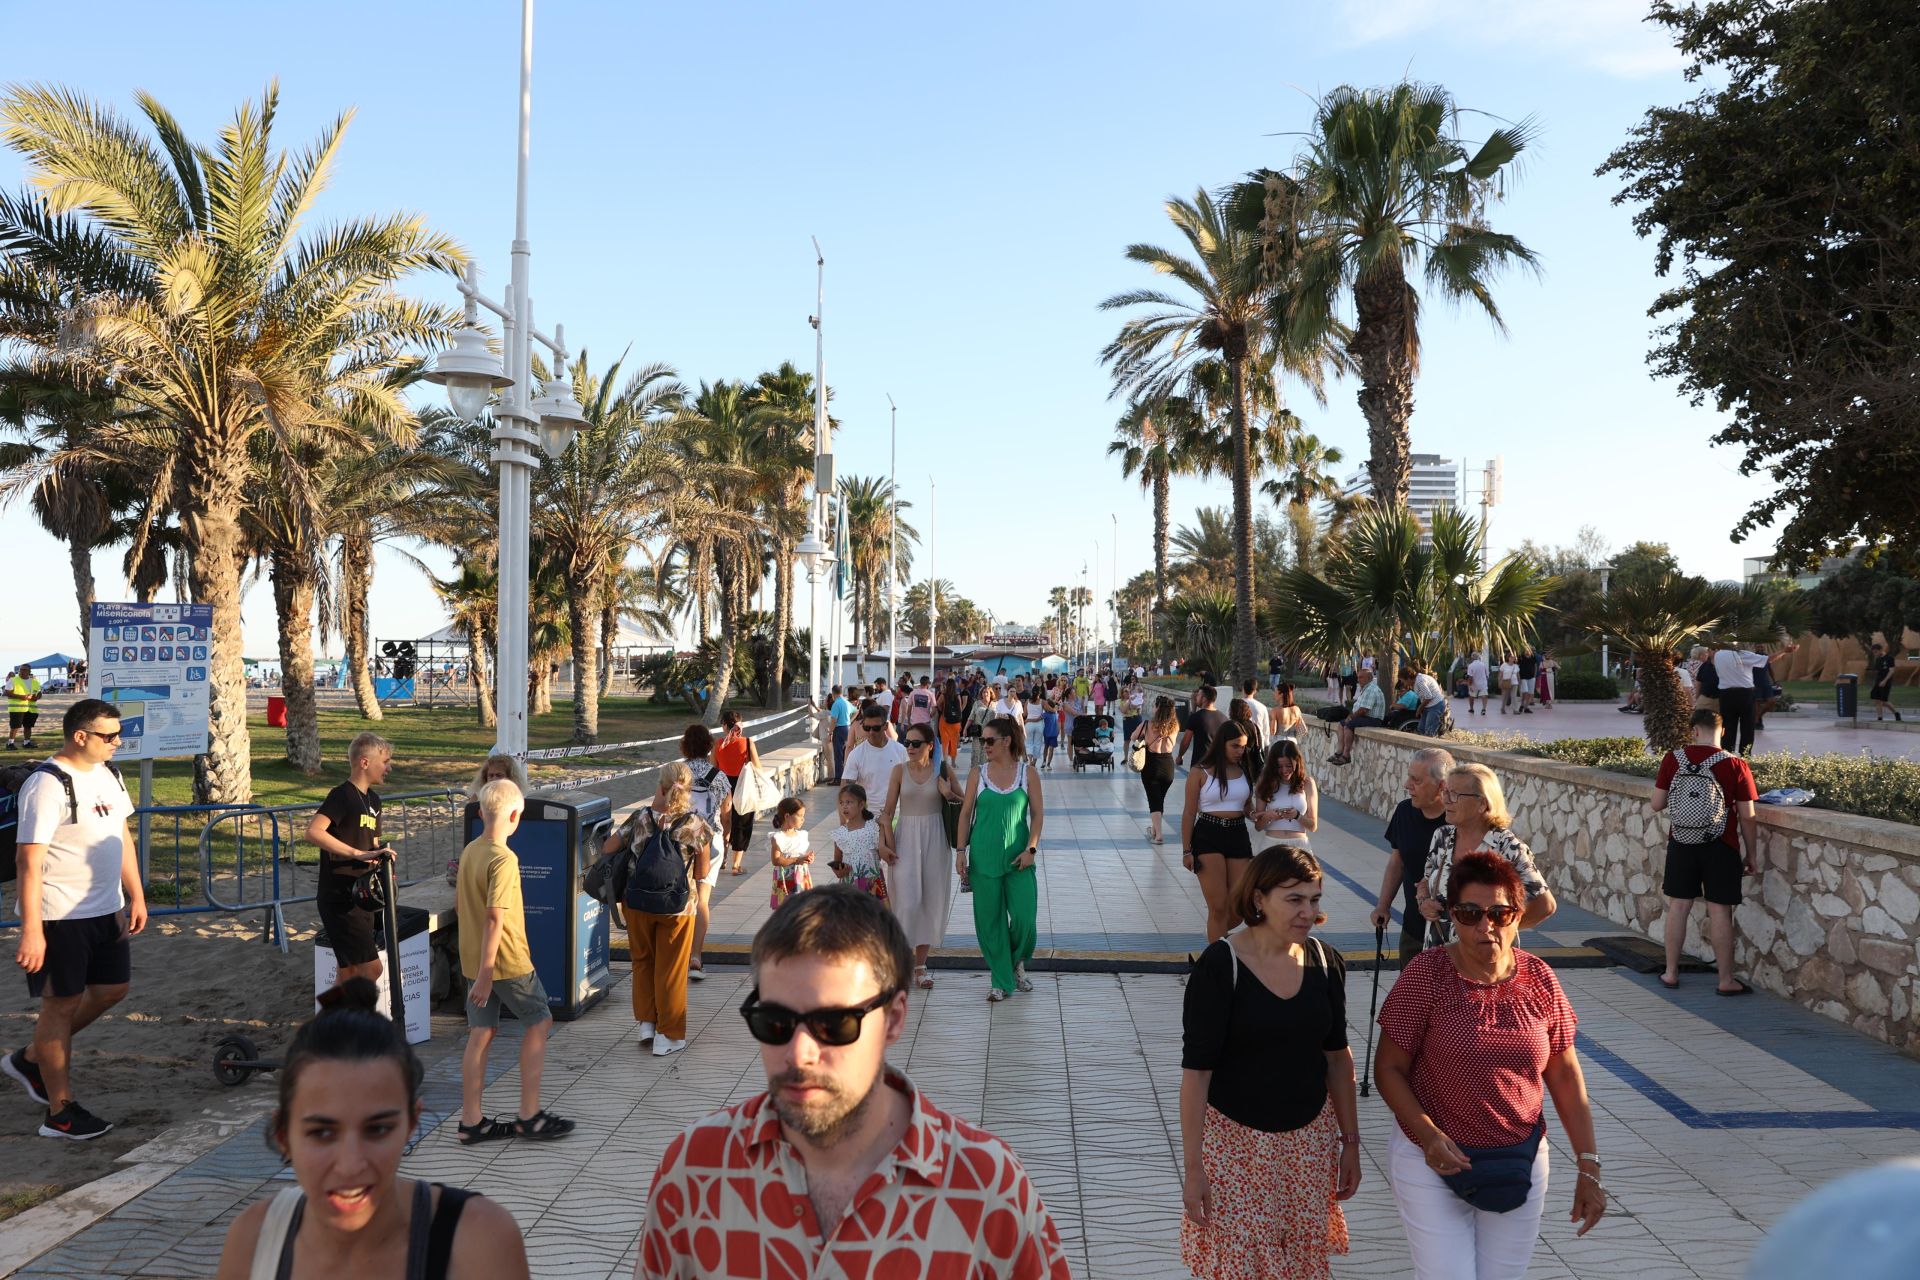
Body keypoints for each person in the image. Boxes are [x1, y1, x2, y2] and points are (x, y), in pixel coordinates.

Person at [637, 886, 1072, 1279]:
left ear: (893, 1020)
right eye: (775, 1022)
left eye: (833, 1023)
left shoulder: (987, 1188)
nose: (799, 1053)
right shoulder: (694, 1171)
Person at [1374, 854, 1607, 1279]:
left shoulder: (1540, 979)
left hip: (1518, 1159)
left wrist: (1588, 1166)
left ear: (1518, 915)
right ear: (1453, 916)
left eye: (1500, 913)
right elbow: (1388, 1068)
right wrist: (1428, 1135)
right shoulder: (1426, 974)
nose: (1486, 926)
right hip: (1431, 1157)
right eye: (1470, 913)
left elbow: (1565, 1075)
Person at [214, 978, 529, 1280]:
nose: (351, 1165)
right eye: (322, 1133)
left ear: (411, 1124)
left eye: (377, 1130)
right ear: (284, 1135)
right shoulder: (253, 1243)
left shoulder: (477, 1242)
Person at [1180, 847, 1359, 1280]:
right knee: (1243, 1265)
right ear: (1259, 898)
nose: (1307, 912)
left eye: (1314, 900)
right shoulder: (1221, 966)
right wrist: (1193, 1168)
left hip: (1309, 1145)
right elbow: (1197, 1074)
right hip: (1236, 1147)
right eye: (1294, 899)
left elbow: (1338, 1059)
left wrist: (1350, 1142)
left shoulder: (1324, 962)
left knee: (1301, 1263)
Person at [4, 699, 141, 1141]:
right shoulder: (47, 784)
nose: (117, 742)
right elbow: (28, 861)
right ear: (80, 736)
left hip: (106, 907)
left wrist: (136, 894)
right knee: (59, 1006)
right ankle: (60, 1114)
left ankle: (31, 1058)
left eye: (119, 734)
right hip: (60, 915)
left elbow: (121, 835)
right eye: (109, 735)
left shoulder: (109, 773)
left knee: (113, 990)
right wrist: (31, 930)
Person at [455, 779, 573, 1144]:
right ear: (515, 816)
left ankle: (471, 1121)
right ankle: (529, 1115)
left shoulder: (471, 850)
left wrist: (479, 971)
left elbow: (462, 908)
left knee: (481, 1032)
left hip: (472, 958)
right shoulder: (504, 859)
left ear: (480, 813)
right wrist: (488, 973)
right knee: (540, 1021)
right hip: (504, 961)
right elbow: (495, 917)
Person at [607, 762, 713, 1056]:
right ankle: (668, 1035)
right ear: (688, 790)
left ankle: (647, 1024)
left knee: (643, 961)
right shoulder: (695, 825)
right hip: (677, 907)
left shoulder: (640, 817)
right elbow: (702, 872)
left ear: (661, 786)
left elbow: (608, 848)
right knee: (672, 969)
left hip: (637, 903)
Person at [1650, 710, 1759, 993]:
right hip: (1722, 845)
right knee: (1720, 910)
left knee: (1679, 906)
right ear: (1723, 731)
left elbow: (1657, 804)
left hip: (1681, 842)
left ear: (1694, 731)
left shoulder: (1673, 759)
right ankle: (1726, 980)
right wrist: (1751, 854)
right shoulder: (1735, 764)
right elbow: (1748, 816)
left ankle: (1670, 973)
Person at [955, 715, 1045, 1002]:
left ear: (1007, 741)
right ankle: (1001, 980)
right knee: (990, 922)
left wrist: (1031, 850)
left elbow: (1038, 815)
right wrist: (960, 851)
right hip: (983, 859)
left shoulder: (1028, 774)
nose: (985, 745)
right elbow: (965, 814)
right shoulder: (977, 774)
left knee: (1024, 919)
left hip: (1020, 859)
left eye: (990, 740)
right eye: (983, 740)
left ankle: (1015, 962)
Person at [1416, 764, 1557, 946]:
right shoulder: (1442, 836)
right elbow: (1426, 881)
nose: (1446, 801)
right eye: (1445, 792)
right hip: (1440, 954)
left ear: (1482, 803)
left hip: (1485, 958)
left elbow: (1545, 905)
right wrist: (1424, 902)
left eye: (1455, 794)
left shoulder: (1506, 846)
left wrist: (1498, 931)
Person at [307, 733, 397, 986]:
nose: (389, 767)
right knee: (372, 969)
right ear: (364, 762)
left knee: (347, 973)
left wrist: (381, 858)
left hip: (363, 896)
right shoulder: (342, 795)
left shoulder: (374, 800)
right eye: (385, 761)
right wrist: (357, 853)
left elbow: (372, 844)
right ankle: (349, 1012)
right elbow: (313, 831)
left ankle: (334, 1013)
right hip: (338, 896)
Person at [877, 723, 960, 991]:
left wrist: (948, 794)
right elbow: (887, 812)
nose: (910, 747)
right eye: (907, 742)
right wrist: (882, 844)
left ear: (930, 746)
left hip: (936, 840)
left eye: (916, 743)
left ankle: (920, 966)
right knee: (906, 902)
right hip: (906, 839)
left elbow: (966, 804)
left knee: (928, 902)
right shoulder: (899, 771)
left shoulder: (943, 770)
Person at [1370, 749, 1455, 965]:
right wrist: (1383, 905)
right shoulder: (1404, 811)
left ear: (1442, 785)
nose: (1407, 785)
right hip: (1413, 931)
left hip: (1453, 936)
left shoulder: (1457, 820)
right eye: (1409, 777)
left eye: (1416, 780)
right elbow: (1397, 862)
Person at [1182, 720, 1255, 944]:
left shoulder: (1244, 769)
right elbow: (1189, 812)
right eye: (1235, 746)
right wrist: (1186, 850)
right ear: (1221, 744)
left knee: (1240, 905)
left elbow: (1246, 806)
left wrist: (1256, 815)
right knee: (1218, 906)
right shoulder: (1200, 771)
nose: (1240, 751)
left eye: (1243, 746)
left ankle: (1215, 931)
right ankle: (1217, 955)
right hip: (1208, 834)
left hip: (1238, 834)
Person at [680, 725, 734, 982]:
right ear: (709, 747)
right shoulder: (718, 776)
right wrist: (727, 835)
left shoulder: (676, 772)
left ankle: (677, 955)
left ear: (684, 746)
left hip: (680, 839)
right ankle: (696, 957)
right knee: (702, 900)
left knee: (680, 897)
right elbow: (727, 812)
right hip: (710, 840)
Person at [1712, 642, 1795, 756]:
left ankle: (1726, 753)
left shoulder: (1718, 655)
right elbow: (1767, 660)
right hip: (1744, 693)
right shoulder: (1742, 654)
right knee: (1747, 726)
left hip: (1726, 694)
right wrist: (1784, 651)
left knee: (1728, 725)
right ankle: (1745, 754)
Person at [714, 710, 763, 875]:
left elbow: (713, 768)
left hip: (724, 785)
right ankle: (736, 865)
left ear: (725, 726)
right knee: (742, 823)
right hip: (743, 785)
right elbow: (757, 767)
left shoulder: (718, 744)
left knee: (725, 822)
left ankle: (723, 857)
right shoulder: (747, 742)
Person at [1252, 739, 1318, 851]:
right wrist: (1268, 816)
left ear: (1297, 762)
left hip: (1299, 845)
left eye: (1289, 766)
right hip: (1271, 844)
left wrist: (1297, 816)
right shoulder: (1265, 784)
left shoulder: (1307, 783)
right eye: (1279, 766)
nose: (1284, 770)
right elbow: (1258, 827)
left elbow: (1313, 826)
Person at [841, 702, 908, 811]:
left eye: (876, 728)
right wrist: (845, 819)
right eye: (867, 728)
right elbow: (845, 789)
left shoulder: (901, 751)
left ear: (886, 726)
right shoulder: (856, 754)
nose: (871, 732)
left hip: (896, 814)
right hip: (867, 815)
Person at [828, 782, 889, 902]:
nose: (844, 806)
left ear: (861, 805)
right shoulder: (840, 834)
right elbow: (837, 865)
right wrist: (840, 870)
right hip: (849, 890)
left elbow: (885, 854)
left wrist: (886, 825)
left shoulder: (874, 828)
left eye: (849, 802)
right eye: (841, 803)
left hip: (873, 886)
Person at [1133, 695, 1180, 844]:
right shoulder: (1175, 726)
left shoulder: (1148, 724)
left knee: (1154, 801)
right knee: (1159, 800)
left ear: (1158, 708)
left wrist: (1144, 738)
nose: (1153, 708)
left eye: (1154, 705)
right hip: (1168, 766)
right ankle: (1154, 830)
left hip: (1151, 765)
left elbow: (1133, 736)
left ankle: (1159, 835)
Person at [1328, 667, 1386, 766]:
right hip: (1365, 717)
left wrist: (1351, 717)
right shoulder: (1366, 688)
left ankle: (1346, 755)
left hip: (1374, 720)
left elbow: (1364, 709)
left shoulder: (1372, 689)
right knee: (1341, 724)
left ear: (1369, 678)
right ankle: (1339, 752)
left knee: (1348, 725)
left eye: (1361, 677)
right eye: (1358, 677)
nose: (1358, 680)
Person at [767, 797, 814, 909]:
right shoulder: (779, 838)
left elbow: (801, 855)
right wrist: (797, 860)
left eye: (803, 816)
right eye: (800, 815)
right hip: (786, 878)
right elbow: (776, 860)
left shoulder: (802, 835)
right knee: (787, 907)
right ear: (787, 816)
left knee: (802, 907)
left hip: (801, 876)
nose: (802, 819)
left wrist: (807, 858)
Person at [1176, 684, 1227, 770]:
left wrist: (1180, 756)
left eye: (1198, 695)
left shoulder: (1195, 717)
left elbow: (1186, 741)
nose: (1196, 697)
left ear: (1204, 699)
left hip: (1199, 765)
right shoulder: (1224, 718)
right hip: (1217, 765)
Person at [5, 663, 43, 749]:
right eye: (20, 670)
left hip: (31, 708)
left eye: (24, 670)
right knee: (15, 726)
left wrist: (37, 697)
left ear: (29, 671)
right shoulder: (13, 680)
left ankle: (27, 743)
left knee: (28, 726)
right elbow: (7, 693)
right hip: (17, 708)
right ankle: (10, 744)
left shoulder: (35, 682)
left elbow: (39, 693)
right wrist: (21, 697)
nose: (22, 671)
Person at [1411, 662, 1448, 736]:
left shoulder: (1420, 681)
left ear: (1408, 678)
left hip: (1435, 705)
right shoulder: (1418, 679)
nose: (1404, 684)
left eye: (1403, 681)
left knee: (1429, 732)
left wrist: (1419, 708)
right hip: (1428, 706)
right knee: (1421, 729)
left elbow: (1428, 697)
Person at [1868, 641, 1902, 722]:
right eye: (1874, 652)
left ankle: (1896, 713)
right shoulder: (1878, 659)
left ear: (1881, 650)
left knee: (1883, 701)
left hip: (1886, 682)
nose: (1875, 654)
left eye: (1876, 652)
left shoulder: (1889, 658)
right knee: (1877, 699)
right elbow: (1878, 671)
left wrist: (1884, 681)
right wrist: (1876, 682)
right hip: (1878, 682)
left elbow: (1891, 671)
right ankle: (1880, 718)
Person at [828, 685, 854, 783]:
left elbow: (834, 720)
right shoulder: (846, 702)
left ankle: (838, 778)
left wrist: (830, 732)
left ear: (833, 693)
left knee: (838, 754)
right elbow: (856, 711)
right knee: (846, 753)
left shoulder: (836, 704)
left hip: (839, 729)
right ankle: (847, 777)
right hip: (847, 728)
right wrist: (850, 720)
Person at [937, 676, 967, 763]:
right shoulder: (958, 696)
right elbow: (960, 709)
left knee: (945, 742)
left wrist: (942, 710)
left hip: (944, 721)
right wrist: (960, 722)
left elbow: (938, 704)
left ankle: (946, 762)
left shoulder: (943, 695)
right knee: (954, 742)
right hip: (956, 723)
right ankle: (953, 762)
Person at [1238, 677, 1271, 744]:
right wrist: (1266, 743)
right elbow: (1266, 729)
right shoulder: (1262, 707)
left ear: (1243, 689)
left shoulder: (1235, 705)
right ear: (1255, 691)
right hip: (1258, 741)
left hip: (1239, 741)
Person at [1040, 680, 1061, 769]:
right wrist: (1058, 732)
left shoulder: (1045, 714)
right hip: (1053, 734)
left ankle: (1045, 762)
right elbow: (1058, 724)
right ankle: (1047, 763)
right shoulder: (1055, 714)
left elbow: (1039, 718)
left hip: (1047, 734)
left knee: (1047, 747)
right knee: (1050, 748)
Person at [1121, 678, 1147, 750]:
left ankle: (1138, 755)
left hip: (1136, 719)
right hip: (1127, 720)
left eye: (1128, 691)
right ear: (1122, 693)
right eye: (1125, 691)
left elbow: (1137, 706)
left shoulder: (1134, 698)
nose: (1127, 692)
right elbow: (1124, 711)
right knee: (1127, 740)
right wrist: (1129, 701)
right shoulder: (1121, 701)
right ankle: (1126, 756)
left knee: (1139, 739)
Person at [1464, 652, 1489, 717]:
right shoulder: (1483, 664)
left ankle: (1471, 708)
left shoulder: (1471, 666)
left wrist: (1469, 685)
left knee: (1471, 696)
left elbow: (1470, 677)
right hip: (1483, 683)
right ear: (1478, 657)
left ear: (1472, 658)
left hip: (1474, 684)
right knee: (1484, 696)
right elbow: (1487, 675)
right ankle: (1484, 709)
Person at [1516, 648, 1539, 713]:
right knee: (1525, 691)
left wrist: (1534, 675)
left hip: (1531, 677)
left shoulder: (1533, 657)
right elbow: (1517, 667)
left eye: (1529, 650)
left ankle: (1526, 707)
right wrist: (1518, 677)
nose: (1528, 652)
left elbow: (1535, 665)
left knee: (1529, 693)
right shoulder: (1521, 657)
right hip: (1523, 677)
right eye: (1526, 650)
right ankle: (1522, 704)